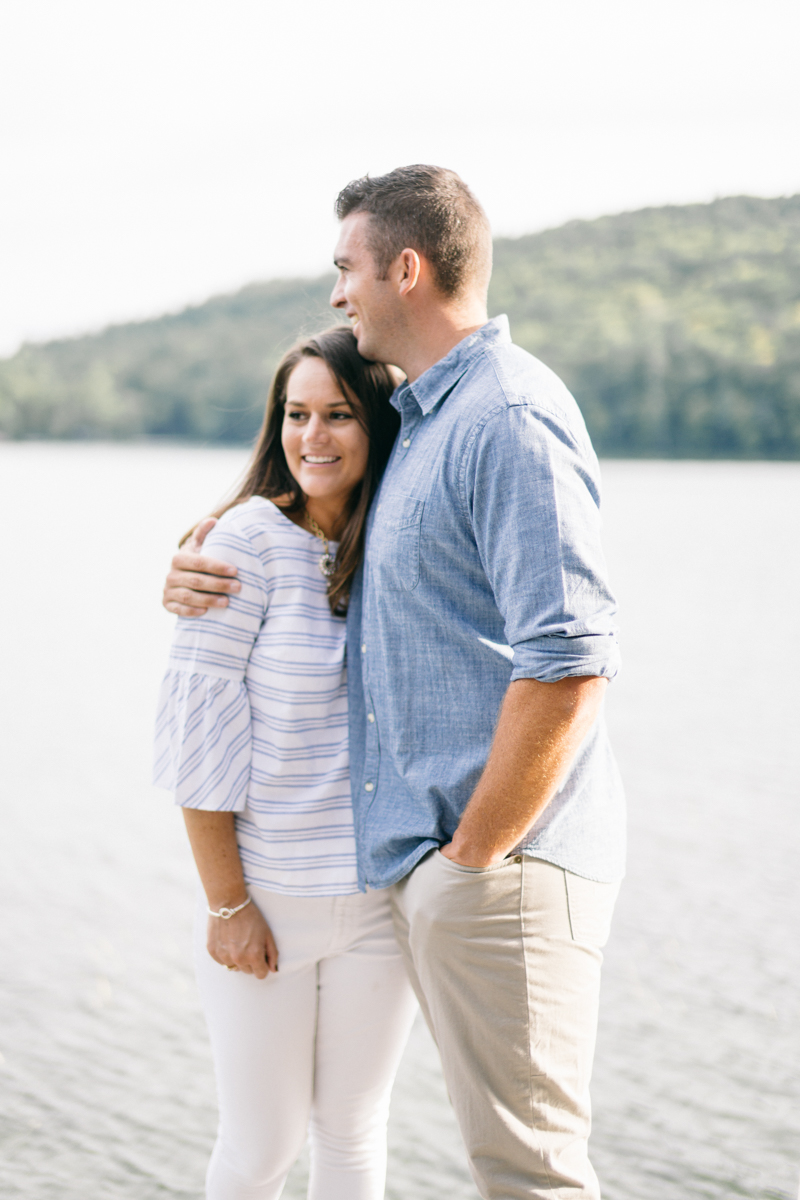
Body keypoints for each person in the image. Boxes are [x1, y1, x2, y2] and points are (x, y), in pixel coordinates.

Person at [164, 165, 626, 1200]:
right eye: (297, 416)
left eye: (347, 268)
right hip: (386, 880)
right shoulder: (423, 427)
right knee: (323, 1146)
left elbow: (568, 662)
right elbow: (306, 541)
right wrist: (200, 555)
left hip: (488, 872)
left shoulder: (502, 416)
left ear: (404, 270)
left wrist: (466, 861)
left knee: (525, 1169)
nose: (337, 291)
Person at [154, 325, 417, 1200]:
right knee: (261, 1148)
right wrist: (227, 904)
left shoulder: (397, 549)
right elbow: (199, 740)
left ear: (376, 424)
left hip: (380, 905)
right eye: (296, 415)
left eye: (339, 414)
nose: (313, 437)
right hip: (269, 903)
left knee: (352, 1135)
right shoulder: (245, 542)